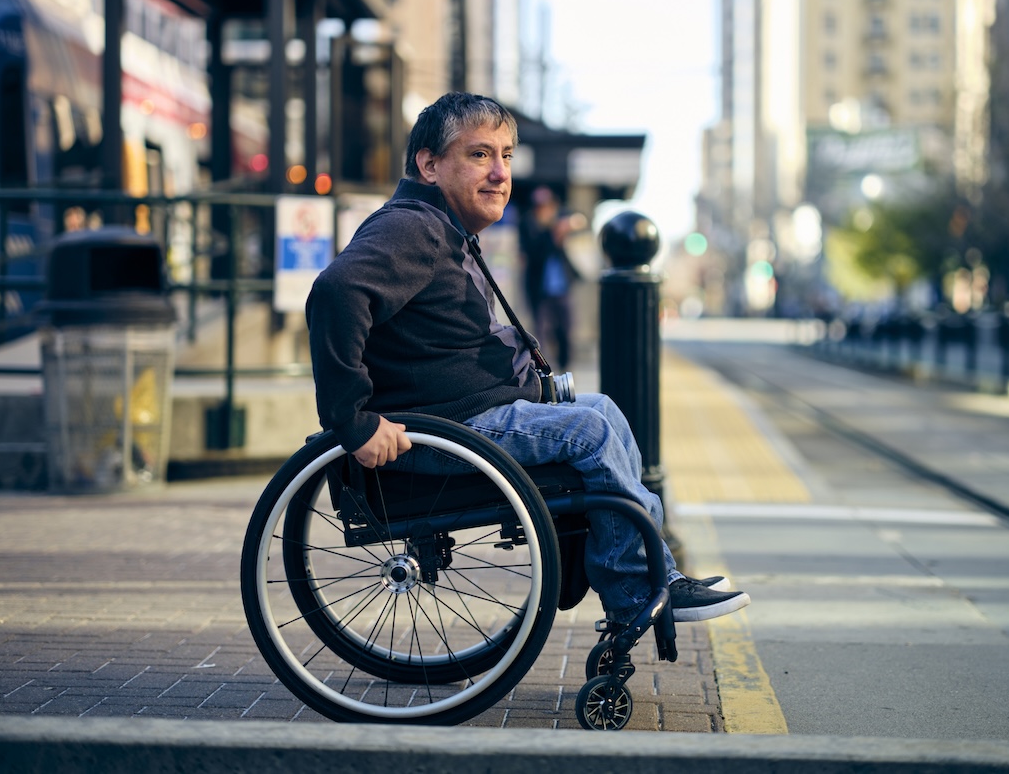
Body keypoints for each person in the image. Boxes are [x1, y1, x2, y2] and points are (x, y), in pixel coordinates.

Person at [306, 91, 749, 625]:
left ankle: (653, 572)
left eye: (506, 156)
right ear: (428, 164)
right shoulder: (413, 227)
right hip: (443, 432)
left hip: (462, 415)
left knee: (603, 410)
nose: (499, 172)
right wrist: (352, 419)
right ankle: (637, 593)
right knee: (591, 432)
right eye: (479, 155)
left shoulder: (443, 229)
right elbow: (334, 293)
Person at [520, 186, 579, 370]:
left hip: (562, 288)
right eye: (539, 207)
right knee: (541, 333)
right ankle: (547, 370)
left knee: (566, 332)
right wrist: (553, 234)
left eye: (547, 205)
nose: (543, 210)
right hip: (540, 290)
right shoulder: (528, 225)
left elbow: (580, 222)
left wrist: (567, 229)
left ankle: (566, 367)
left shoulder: (561, 220)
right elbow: (534, 254)